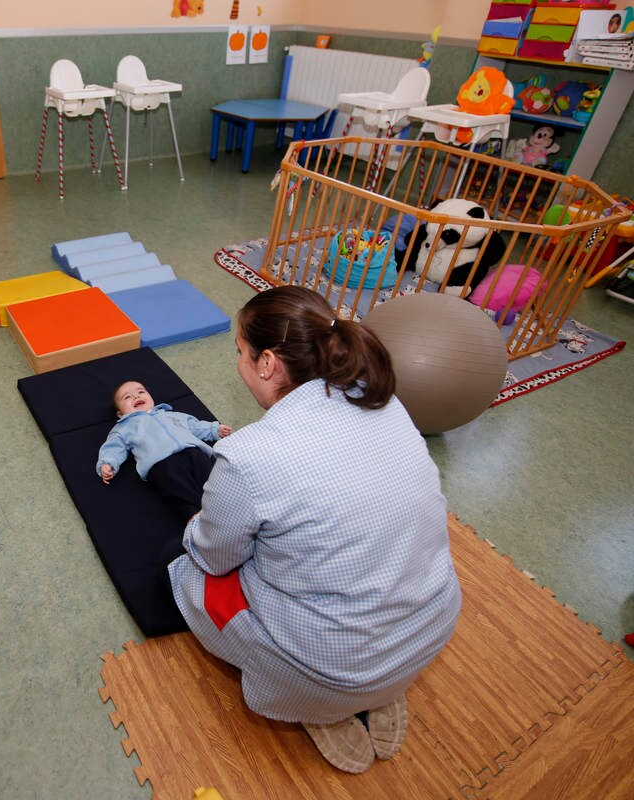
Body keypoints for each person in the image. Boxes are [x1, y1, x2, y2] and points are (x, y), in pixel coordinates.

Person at [166, 286, 461, 774]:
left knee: (190, 576)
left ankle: (321, 705)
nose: (237, 363)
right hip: (429, 629)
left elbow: (215, 557)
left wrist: (198, 525)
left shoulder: (250, 456)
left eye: (239, 352)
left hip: (332, 667)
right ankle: (382, 685)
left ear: (266, 363)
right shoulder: (384, 403)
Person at [97, 380, 231, 522]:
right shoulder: (124, 427)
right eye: (127, 397)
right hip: (161, 463)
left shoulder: (171, 415)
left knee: (213, 478)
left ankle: (228, 505)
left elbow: (194, 426)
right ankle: (194, 518)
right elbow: (113, 446)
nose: (136, 397)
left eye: (141, 392)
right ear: (119, 413)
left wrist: (213, 430)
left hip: (193, 452)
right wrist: (108, 463)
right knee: (178, 491)